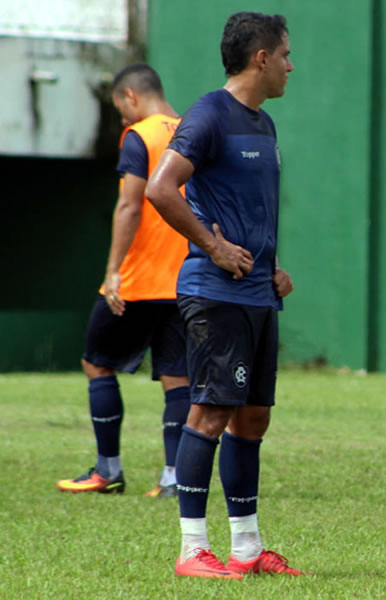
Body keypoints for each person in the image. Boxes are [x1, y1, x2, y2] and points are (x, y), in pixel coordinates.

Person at [145, 11, 299, 580]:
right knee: (209, 413)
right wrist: (213, 247)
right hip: (216, 293)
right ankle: (191, 550)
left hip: (258, 293)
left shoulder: (264, 124)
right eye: (285, 54)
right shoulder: (209, 114)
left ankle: (247, 548)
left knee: (251, 418)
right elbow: (162, 189)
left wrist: (272, 264)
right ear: (261, 58)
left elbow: (250, 205)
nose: (290, 65)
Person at [56, 63, 190, 499]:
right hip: (186, 279)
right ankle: (173, 477)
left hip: (138, 280)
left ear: (130, 96)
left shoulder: (141, 136)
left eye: (121, 110)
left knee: (97, 362)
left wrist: (113, 270)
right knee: (178, 378)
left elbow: (130, 206)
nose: (123, 120)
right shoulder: (194, 130)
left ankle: (107, 469)